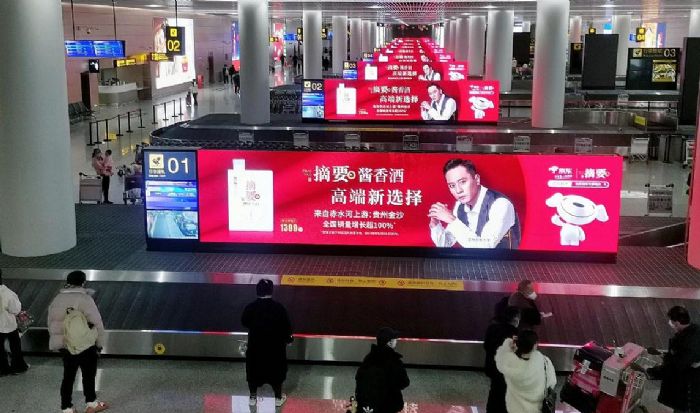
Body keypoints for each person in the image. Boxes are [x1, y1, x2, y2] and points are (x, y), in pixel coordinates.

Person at [48, 271, 108, 413]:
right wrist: (99, 343)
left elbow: (51, 322)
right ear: (83, 282)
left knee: (68, 376)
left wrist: (58, 341)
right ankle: (91, 404)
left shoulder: (57, 299)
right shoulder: (85, 299)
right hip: (85, 344)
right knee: (88, 374)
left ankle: (67, 407)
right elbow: (96, 323)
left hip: (65, 344)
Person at [429, 159, 521, 249]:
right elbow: (446, 244)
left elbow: (486, 247)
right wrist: (435, 225)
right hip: (472, 258)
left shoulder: (500, 204)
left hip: (503, 259)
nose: (458, 190)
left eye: (463, 182)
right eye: (452, 185)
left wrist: (451, 219)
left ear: (477, 179)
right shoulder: (460, 206)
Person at [242, 279, 293, 407]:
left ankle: (252, 397)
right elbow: (286, 326)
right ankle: (278, 398)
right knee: (276, 373)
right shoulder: (279, 308)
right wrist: (289, 339)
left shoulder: (250, 307)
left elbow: (244, 322)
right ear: (271, 291)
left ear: (257, 291)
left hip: (255, 347)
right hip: (275, 349)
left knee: (253, 372)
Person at [646, 306, 700, 413]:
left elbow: (675, 367)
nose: (669, 323)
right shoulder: (696, 332)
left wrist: (651, 371)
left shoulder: (684, 342)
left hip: (686, 390)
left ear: (677, 322)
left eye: (671, 321)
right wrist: (667, 356)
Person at [495, 329, 556, 413]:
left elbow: (500, 357)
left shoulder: (509, 362)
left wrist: (507, 345)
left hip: (515, 407)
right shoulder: (544, 361)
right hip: (536, 408)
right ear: (534, 346)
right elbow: (552, 382)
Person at [355, 327, 410, 413]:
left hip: (369, 405)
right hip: (388, 405)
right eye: (395, 339)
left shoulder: (369, 358)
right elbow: (404, 382)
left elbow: (359, 378)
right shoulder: (394, 361)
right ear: (389, 342)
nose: (396, 341)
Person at [484, 306, 520, 413]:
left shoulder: (492, 328)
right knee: (504, 393)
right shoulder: (514, 333)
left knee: (494, 390)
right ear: (515, 319)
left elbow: (486, 346)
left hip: (492, 367)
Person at [0, 269, 30, 376]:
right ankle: (18, 367)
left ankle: (2, 369)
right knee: (15, 347)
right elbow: (15, 310)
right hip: (8, 325)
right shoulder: (8, 293)